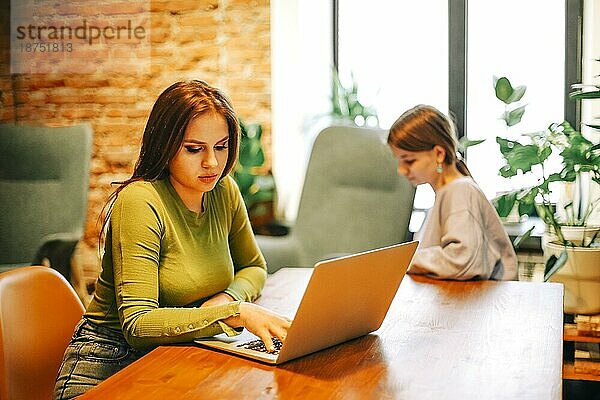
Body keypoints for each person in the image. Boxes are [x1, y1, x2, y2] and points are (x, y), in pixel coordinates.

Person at [53, 80, 291, 399]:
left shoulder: (224, 191)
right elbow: (137, 324)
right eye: (194, 149)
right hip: (108, 366)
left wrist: (228, 298)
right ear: (165, 147)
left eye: (221, 147)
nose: (212, 163)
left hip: (178, 355)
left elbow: (253, 266)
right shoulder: (140, 202)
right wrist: (234, 312)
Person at [387, 105, 517, 281]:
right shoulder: (447, 192)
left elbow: (462, 260)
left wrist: (404, 261)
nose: (401, 170)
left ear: (439, 153)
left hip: (480, 304)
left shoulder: (461, 190)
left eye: (409, 161)